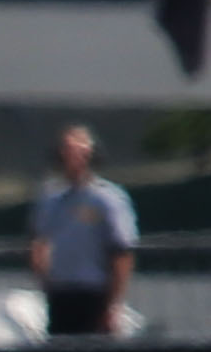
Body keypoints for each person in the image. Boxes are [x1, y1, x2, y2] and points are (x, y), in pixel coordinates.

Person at [27, 126, 138, 339]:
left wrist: (113, 304)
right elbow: (39, 242)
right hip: (61, 293)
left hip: (95, 292)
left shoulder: (108, 198)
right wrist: (44, 281)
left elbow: (122, 253)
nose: (74, 157)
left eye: (81, 150)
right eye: (68, 150)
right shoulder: (50, 198)